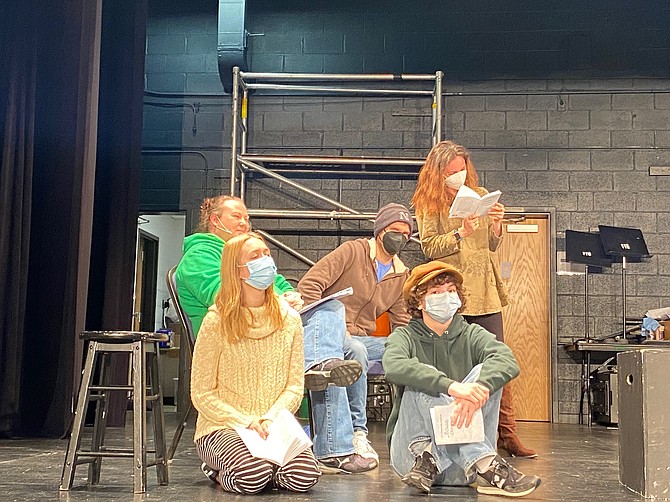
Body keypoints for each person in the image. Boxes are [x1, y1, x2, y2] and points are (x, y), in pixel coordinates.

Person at [411, 140, 537, 458]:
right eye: (452, 172)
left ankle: (507, 433)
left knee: (498, 360)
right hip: (452, 293)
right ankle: (454, 435)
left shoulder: (479, 196)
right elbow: (429, 248)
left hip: (485, 290)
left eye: (462, 169)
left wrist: (495, 224)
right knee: (455, 366)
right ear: (438, 173)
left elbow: (492, 245)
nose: (458, 176)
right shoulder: (429, 204)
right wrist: (459, 233)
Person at [383, 261, 541, 497]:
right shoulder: (404, 336)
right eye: (435, 292)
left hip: (463, 467)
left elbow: (506, 360)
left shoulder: (472, 334)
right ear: (418, 302)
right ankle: (487, 464)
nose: (445, 297)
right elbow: (393, 365)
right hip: (415, 463)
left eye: (450, 291)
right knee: (422, 375)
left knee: (484, 375)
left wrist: (474, 393)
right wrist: (453, 388)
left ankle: (478, 457)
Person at [190, 232, 321, 494]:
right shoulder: (216, 321)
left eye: (266, 254)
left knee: (306, 477)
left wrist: (270, 418)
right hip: (224, 425)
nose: (265, 260)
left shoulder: (290, 320)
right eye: (254, 256)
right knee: (252, 475)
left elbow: (294, 386)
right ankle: (218, 470)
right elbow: (202, 393)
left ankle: (267, 469)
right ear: (238, 270)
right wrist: (246, 421)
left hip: (273, 425)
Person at [297, 203, 413, 474]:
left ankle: (416, 438)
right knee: (357, 350)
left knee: (405, 352)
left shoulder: (400, 273)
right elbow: (309, 285)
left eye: (406, 234)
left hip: (362, 337)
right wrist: (328, 325)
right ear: (381, 230)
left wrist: (405, 347)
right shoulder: (353, 251)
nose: (401, 237)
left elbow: (401, 320)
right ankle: (358, 433)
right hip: (329, 332)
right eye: (395, 230)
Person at [175, 195, 300, 336]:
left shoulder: (241, 252)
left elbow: (275, 279)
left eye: (246, 219)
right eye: (236, 216)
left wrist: (291, 296)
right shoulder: (197, 257)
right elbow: (225, 296)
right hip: (229, 339)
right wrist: (279, 302)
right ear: (215, 220)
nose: (244, 223)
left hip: (264, 327)